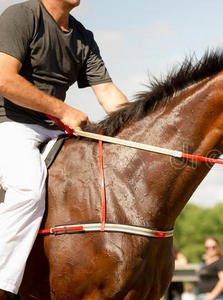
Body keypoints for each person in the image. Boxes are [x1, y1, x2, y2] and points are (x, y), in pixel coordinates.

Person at [0, 0, 128, 296]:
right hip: (8, 124)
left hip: (54, 129)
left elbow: (108, 94)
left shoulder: (83, 35)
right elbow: (4, 79)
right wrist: (63, 110)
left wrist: (138, 134)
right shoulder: (22, 15)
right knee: (28, 189)